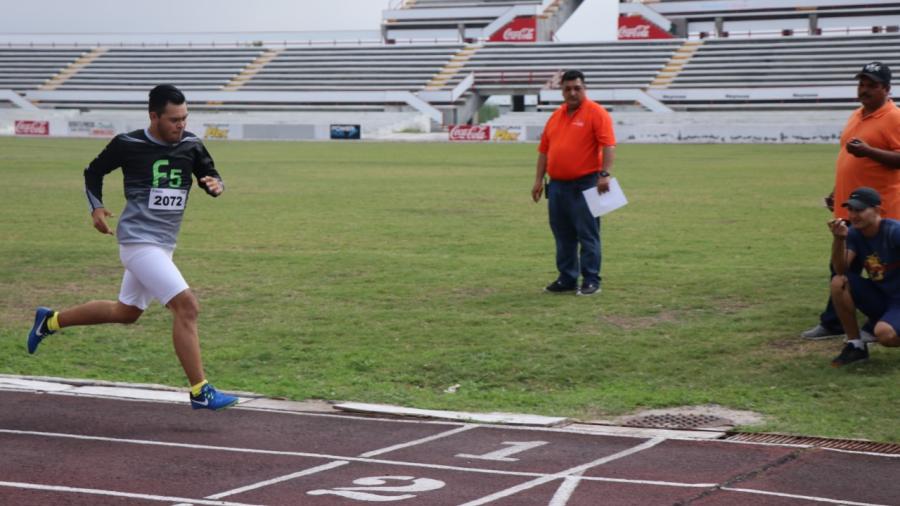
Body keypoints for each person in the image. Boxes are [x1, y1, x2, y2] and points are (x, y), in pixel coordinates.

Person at [26, 84, 238, 411]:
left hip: (164, 244)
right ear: (153, 116)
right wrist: (95, 207)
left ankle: (50, 321)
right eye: (173, 120)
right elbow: (93, 171)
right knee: (187, 307)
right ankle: (200, 390)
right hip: (138, 241)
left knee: (126, 312)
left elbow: (209, 173)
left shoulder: (192, 143)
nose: (180, 125)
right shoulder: (128, 144)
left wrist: (215, 184)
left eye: (184, 118)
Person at [802, 62, 900, 340]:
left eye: (871, 85)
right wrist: (837, 191)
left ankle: (878, 322)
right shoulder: (856, 115)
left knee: (877, 268)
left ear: (886, 89)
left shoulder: (894, 117)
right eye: (861, 84)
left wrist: (868, 151)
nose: (864, 90)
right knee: (842, 265)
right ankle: (836, 322)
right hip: (849, 205)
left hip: (878, 211)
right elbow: (847, 159)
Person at [531, 69, 616, 296]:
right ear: (562, 91)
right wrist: (538, 180)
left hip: (586, 183)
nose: (572, 92)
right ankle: (567, 278)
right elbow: (544, 152)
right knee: (563, 234)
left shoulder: (596, 113)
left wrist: (605, 175)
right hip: (557, 186)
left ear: (584, 88)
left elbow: (609, 145)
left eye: (577, 88)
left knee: (587, 234)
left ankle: (591, 280)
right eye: (567, 89)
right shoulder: (555, 116)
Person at [829, 187, 900, 366]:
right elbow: (840, 269)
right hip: (883, 296)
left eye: (860, 210)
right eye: (850, 209)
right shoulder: (853, 234)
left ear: (877, 210)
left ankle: (887, 324)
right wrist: (839, 240)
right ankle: (856, 346)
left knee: (884, 334)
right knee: (839, 282)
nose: (853, 215)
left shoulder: (894, 232)